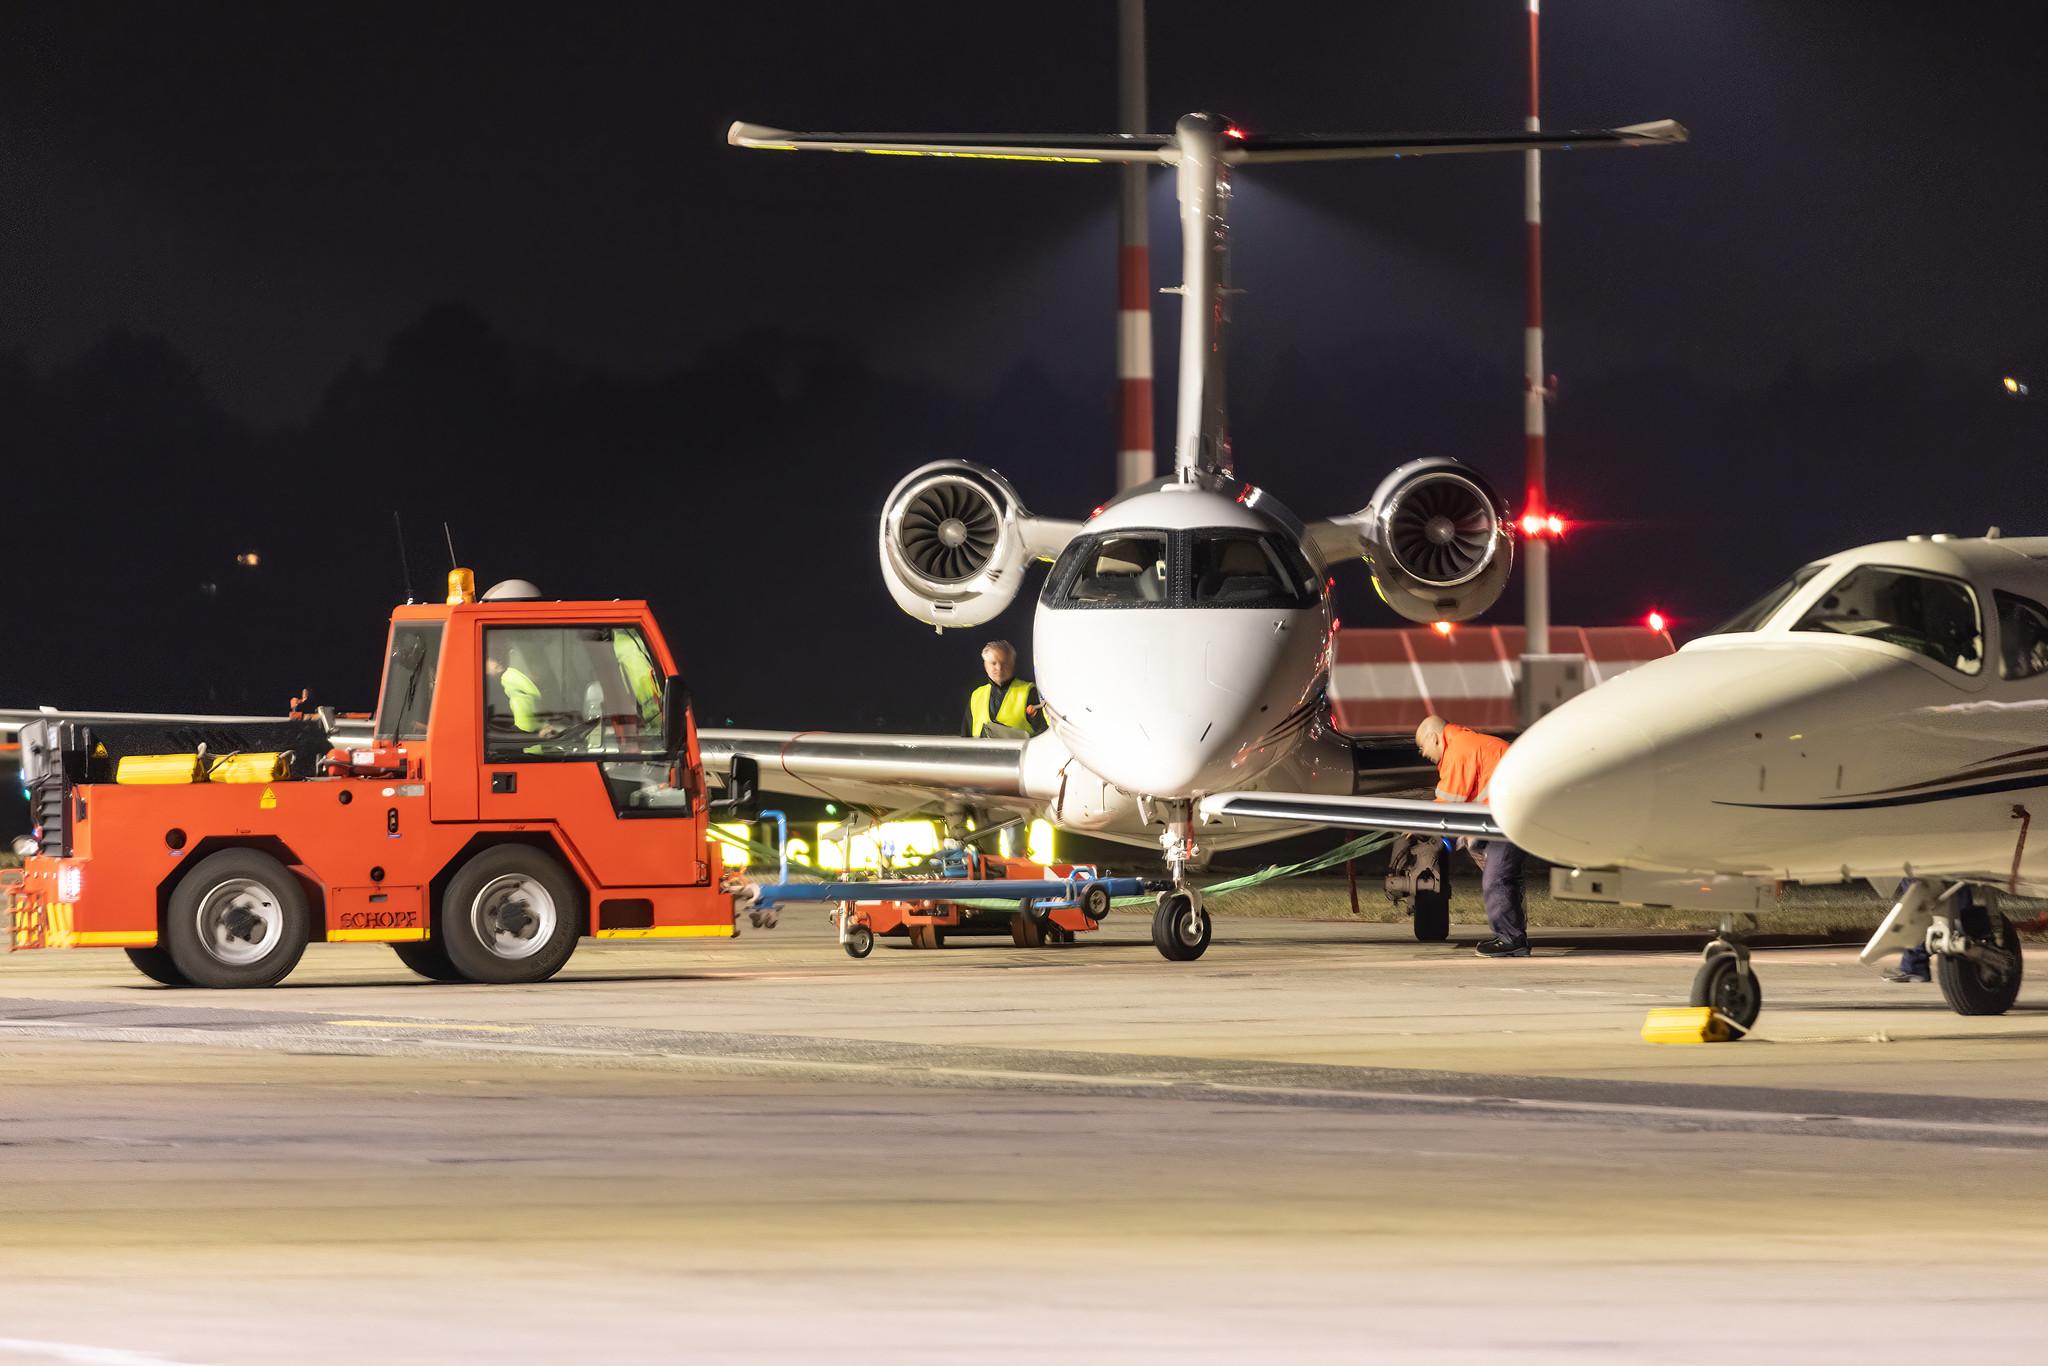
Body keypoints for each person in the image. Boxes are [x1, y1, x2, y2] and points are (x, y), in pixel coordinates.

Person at [1416, 714, 1529, 958]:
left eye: (1421, 746)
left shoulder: (1459, 751)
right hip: (1505, 816)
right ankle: (1512, 936)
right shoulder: (1468, 745)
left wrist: (1415, 821)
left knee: (1496, 879)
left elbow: (1448, 803)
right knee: (1501, 878)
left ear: (1434, 738)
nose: (1422, 753)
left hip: (1508, 818)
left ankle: (1511, 939)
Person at [962, 640, 1046, 739]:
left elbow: (1044, 731)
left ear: (1013, 664)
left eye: (1004, 663)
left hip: (1017, 753)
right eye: (993, 663)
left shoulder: (1029, 692)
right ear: (985, 665)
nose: (999, 668)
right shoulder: (977, 695)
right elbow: (966, 735)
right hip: (981, 754)